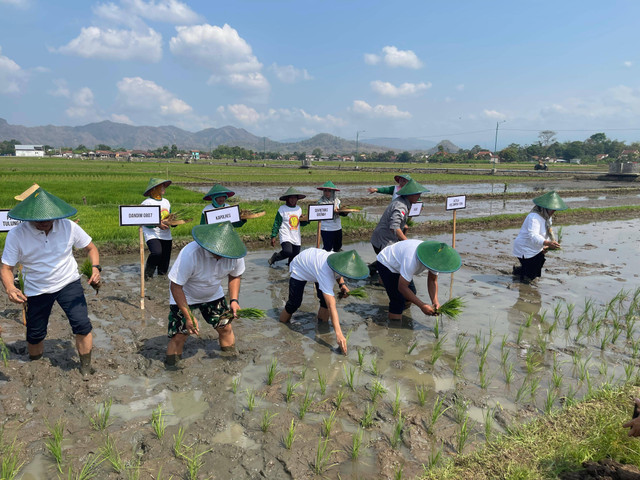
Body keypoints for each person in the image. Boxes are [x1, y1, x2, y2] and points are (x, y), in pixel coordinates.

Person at [0, 188, 100, 376]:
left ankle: (86, 367)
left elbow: (91, 248)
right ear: (29, 217)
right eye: (39, 220)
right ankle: (36, 365)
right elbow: (6, 268)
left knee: (82, 324)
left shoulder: (69, 227)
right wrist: (10, 287)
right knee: (35, 334)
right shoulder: (17, 234)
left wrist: (95, 268)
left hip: (68, 282)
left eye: (48, 219)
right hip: (36, 288)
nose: (44, 223)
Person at [165, 222, 246, 369]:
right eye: (218, 252)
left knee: (225, 328)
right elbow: (176, 286)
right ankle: (172, 371)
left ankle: (229, 363)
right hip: (186, 296)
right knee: (181, 335)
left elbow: (235, 276)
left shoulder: (234, 254)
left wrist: (234, 300)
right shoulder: (191, 253)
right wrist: (188, 317)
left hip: (213, 294)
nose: (222, 256)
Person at [279, 249, 369, 354]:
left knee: (323, 301)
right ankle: (282, 326)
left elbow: (339, 272)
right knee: (294, 303)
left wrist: (342, 285)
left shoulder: (338, 258)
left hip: (315, 266)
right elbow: (332, 305)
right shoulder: (325, 273)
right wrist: (339, 334)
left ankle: (322, 326)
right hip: (300, 266)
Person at [377, 240, 461, 320]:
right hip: (387, 263)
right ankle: (394, 326)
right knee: (398, 300)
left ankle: (402, 313)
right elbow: (402, 287)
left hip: (401, 264)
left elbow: (432, 280)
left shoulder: (437, 258)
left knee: (411, 293)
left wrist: (435, 302)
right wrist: (422, 306)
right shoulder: (411, 259)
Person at [512, 191, 567, 282]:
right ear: (545, 208)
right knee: (530, 274)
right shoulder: (534, 217)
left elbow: (547, 231)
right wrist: (547, 243)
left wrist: (546, 245)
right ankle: (520, 275)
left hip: (536, 247)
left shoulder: (547, 217)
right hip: (525, 248)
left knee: (537, 266)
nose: (554, 211)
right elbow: (533, 235)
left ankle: (520, 272)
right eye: (552, 209)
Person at [370, 179, 429, 255]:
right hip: (383, 241)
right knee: (387, 264)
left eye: (420, 194)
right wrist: (408, 242)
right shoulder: (400, 206)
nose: (419, 197)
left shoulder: (405, 202)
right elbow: (394, 227)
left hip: (387, 238)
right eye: (417, 194)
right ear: (409, 194)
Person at [269, 187, 309, 266]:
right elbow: (277, 223)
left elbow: (301, 223)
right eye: (291, 198)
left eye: (295, 198)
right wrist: (273, 236)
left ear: (297, 199)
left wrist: (307, 221)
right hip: (285, 235)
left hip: (296, 236)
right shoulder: (282, 209)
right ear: (287, 198)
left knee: (294, 260)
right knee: (288, 252)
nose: (293, 200)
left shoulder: (299, 209)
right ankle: (275, 257)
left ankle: (289, 273)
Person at [141, 178, 172, 280]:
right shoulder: (147, 203)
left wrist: (174, 222)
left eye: (164, 186)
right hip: (151, 233)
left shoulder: (166, 202)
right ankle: (147, 275)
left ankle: (161, 281)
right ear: (154, 189)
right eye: (161, 186)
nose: (164, 188)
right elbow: (144, 220)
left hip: (166, 234)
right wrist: (158, 224)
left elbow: (170, 216)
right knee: (156, 253)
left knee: (165, 260)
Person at [317, 181, 343, 252]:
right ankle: (323, 260)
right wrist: (332, 211)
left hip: (337, 227)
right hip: (326, 228)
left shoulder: (337, 201)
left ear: (333, 192)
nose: (327, 193)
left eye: (329, 191)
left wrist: (341, 212)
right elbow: (319, 214)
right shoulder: (320, 202)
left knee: (337, 247)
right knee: (327, 248)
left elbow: (341, 212)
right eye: (325, 191)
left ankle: (336, 261)